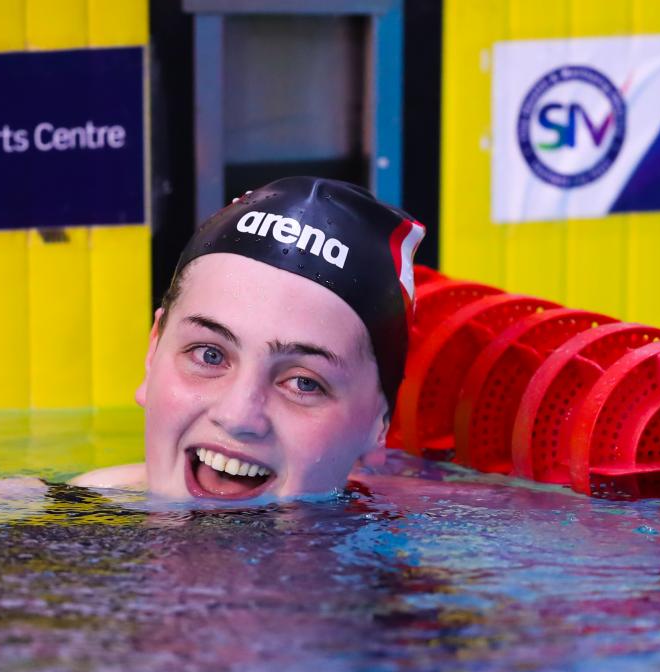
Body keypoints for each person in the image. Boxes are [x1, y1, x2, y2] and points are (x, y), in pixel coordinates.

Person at [72, 175, 424, 501]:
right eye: (209, 354)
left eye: (303, 383)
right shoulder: (58, 519)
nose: (237, 418)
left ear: (380, 424)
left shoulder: (438, 547)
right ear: (153, 353)